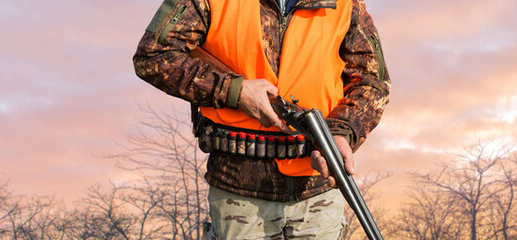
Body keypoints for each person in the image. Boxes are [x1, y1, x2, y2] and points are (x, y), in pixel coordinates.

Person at [132, 0, 390, 238]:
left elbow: (372, 82)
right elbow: (153, 55)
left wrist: (343, 133)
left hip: (318, 193)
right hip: (238, 195)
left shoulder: (346, 2)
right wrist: (235, 91)